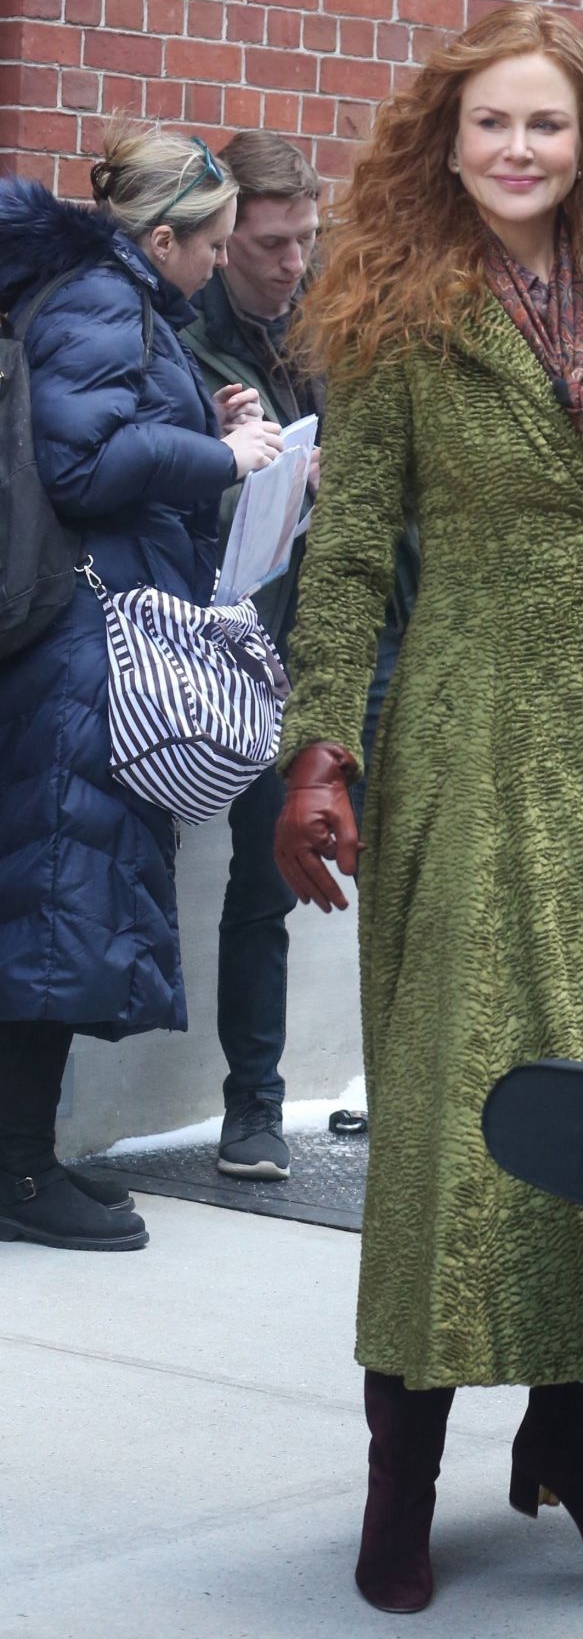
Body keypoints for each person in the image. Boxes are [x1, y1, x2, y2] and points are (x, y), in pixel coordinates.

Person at [272, 4, 583, 1614]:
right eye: (490, 126)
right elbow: (349, 548)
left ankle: (576, 1438)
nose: (518, 151)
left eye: (547, 126)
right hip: (463, 736)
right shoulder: (397, 314)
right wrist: (319, 742)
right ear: (446, 142)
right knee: (464, 1111)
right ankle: (405, 1474)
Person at [0, 123, 281, 1252]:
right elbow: (82, 464)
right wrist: (223, 461)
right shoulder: (103, 301)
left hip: (78, 634)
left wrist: (192, 422)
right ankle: (20, 1173)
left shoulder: (110, 299)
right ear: (162, 238)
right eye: (212, 244)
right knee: (57, 903)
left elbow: (107, 429)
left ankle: (25, 1158)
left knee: (57, 896)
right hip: (80, 642)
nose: (221, 264)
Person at [184, 131, 322, 1181]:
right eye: (270, 244)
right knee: (243, 870)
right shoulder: (184, 333)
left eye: (304, 241)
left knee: (273, 873)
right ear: (226, 239)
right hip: (210, 638)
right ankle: (250, 1105)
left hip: (319, 626)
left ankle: (260, 1105)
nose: (289, 264)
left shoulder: (333, 327)